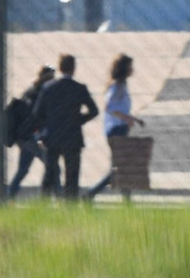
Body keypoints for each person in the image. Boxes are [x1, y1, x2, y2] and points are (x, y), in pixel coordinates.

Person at [32, 53, 100, 200]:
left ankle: (43, 204)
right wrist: (79, 119)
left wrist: (45, 127)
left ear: (60, 68)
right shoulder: (79, 88)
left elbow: (37, 113)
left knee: (50, 173)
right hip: (72, 135)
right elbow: (94, 111)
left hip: (52, 135)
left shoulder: (48, 88)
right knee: (72, 175)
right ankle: (70, 204)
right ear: (73, 69)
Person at [86, 54, 145, 200]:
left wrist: (134, 119)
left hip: (120, 128)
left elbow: (120, 108)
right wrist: (126, 118)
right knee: (119, 168)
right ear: (125, 68)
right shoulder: (117, 86)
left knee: (121, 167)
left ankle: (126, 200)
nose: (133, 70)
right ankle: (91, 193)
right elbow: (110, 107)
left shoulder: (122, 85)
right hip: (117, 130)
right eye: (131, 67)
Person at [8, 64, 59, 199]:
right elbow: (36, 118)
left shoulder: (29, 91)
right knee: (54, 167)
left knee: (22, 170)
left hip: (23, 137)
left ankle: (8, 197)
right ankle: (59, 199)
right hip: (33, 137)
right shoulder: (41, 94)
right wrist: (40, 136)